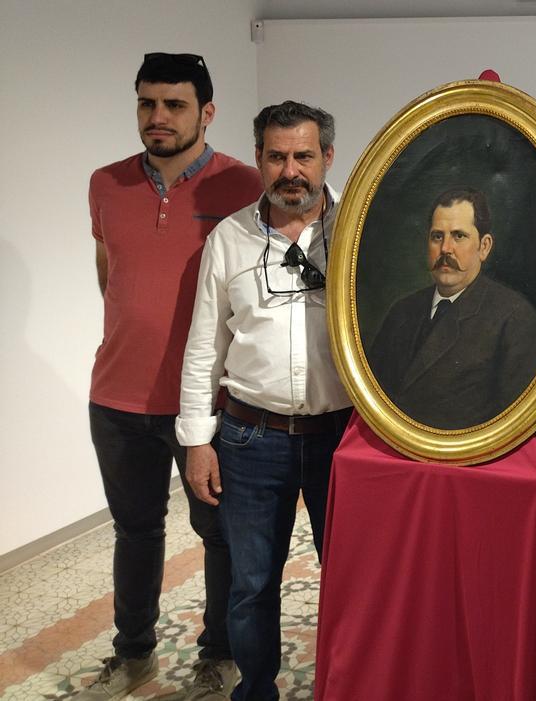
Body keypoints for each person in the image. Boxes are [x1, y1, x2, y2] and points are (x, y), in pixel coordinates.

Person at [82, 52, 261, 701]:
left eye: (174, 104)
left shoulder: (241, 184)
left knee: (217, 535)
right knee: (135, 529)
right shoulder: (106, 184)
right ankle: (132, 648)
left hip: (209, 404)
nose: (157, 117)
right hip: (117, 397)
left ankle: (216, 651)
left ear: (207, 112)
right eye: (146, 103)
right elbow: (111, 273)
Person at [176, 101, 352, 701]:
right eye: (276, 156)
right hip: (250, 440)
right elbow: (204, 345)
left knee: (352, 581)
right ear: (258, 159)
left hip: (342, 438)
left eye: (304, 155)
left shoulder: (360, 232)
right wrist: (198, 439)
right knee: (251, 585)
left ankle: (346, 686)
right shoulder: (229, 239)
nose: (290, 170)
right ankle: (256, 690)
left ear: (328, 156)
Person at [369, 188, 536, 429]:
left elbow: (513, 421)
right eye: (437, 236)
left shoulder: (514, 318)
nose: (445, 249)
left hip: (467, 461)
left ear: (484, 246)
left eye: (459, 236)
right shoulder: (401, 312)